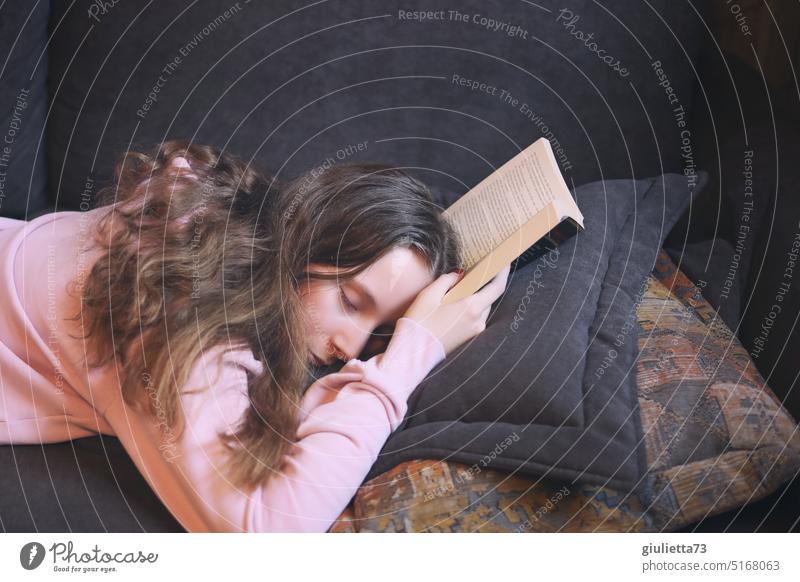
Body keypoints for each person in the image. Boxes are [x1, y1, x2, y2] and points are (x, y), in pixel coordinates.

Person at [0, 140, 511, 532]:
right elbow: (266, 534)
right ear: (303, 240)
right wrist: (406, 358)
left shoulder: (226, 226)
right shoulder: (180, 316)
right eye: (351, 302)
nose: (351, 349)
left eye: (378, 334)